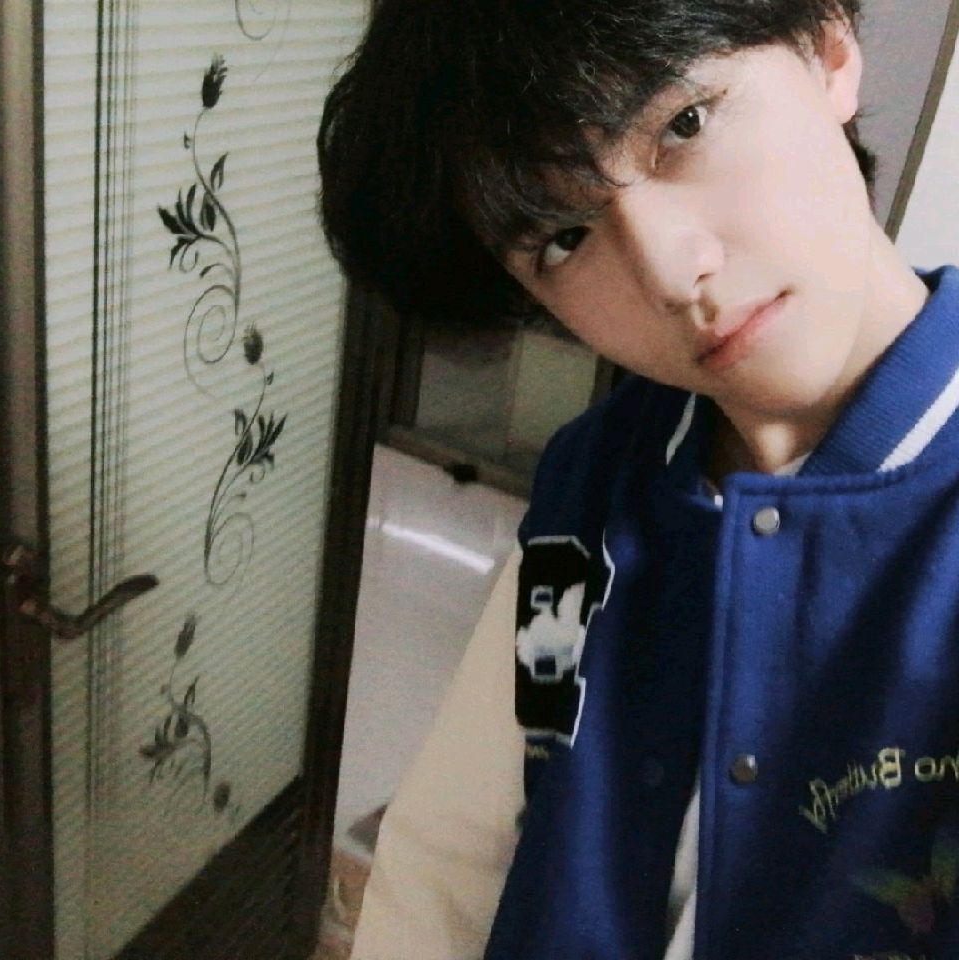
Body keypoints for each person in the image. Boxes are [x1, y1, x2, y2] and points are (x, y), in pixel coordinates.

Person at [318, 1, 959, 957]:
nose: (667, 272)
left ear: (829, 49)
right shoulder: (592, 485)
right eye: (563, 239)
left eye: (684, 125)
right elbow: (451, 853)